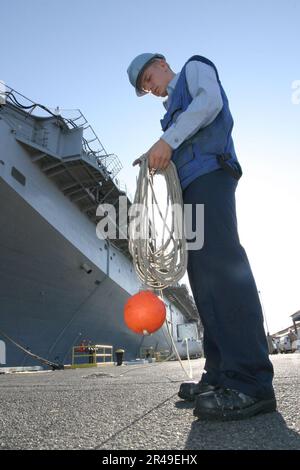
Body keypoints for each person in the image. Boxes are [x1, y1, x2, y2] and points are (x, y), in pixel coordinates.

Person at [127, 53, 276, 421]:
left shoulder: (195, 68)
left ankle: (251, 381)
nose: (150, 86)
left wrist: (166, 140)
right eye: (145, 86)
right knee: (204, 280)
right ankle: (219, 374)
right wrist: (156, 151)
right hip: (190, 186)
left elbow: (210, 103)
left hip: (212, 175)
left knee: (223, 272)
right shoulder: (170, 114)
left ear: (162, 63)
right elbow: (179, 138)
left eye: (149, 76)